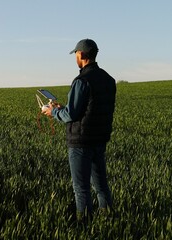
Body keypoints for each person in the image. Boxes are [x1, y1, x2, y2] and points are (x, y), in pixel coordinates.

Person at [42, 39, 116, 222]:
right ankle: (109, 220)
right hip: (99, 139)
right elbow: (89, 107)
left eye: (76, 54)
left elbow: (71, 115)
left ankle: (85, 224)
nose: (75, 57)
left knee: (81, 188)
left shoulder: (82, 80)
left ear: (81, 55)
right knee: (101, 185)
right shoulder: (108, 79)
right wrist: (63, 108)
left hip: (81, 142)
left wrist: (53, 111)